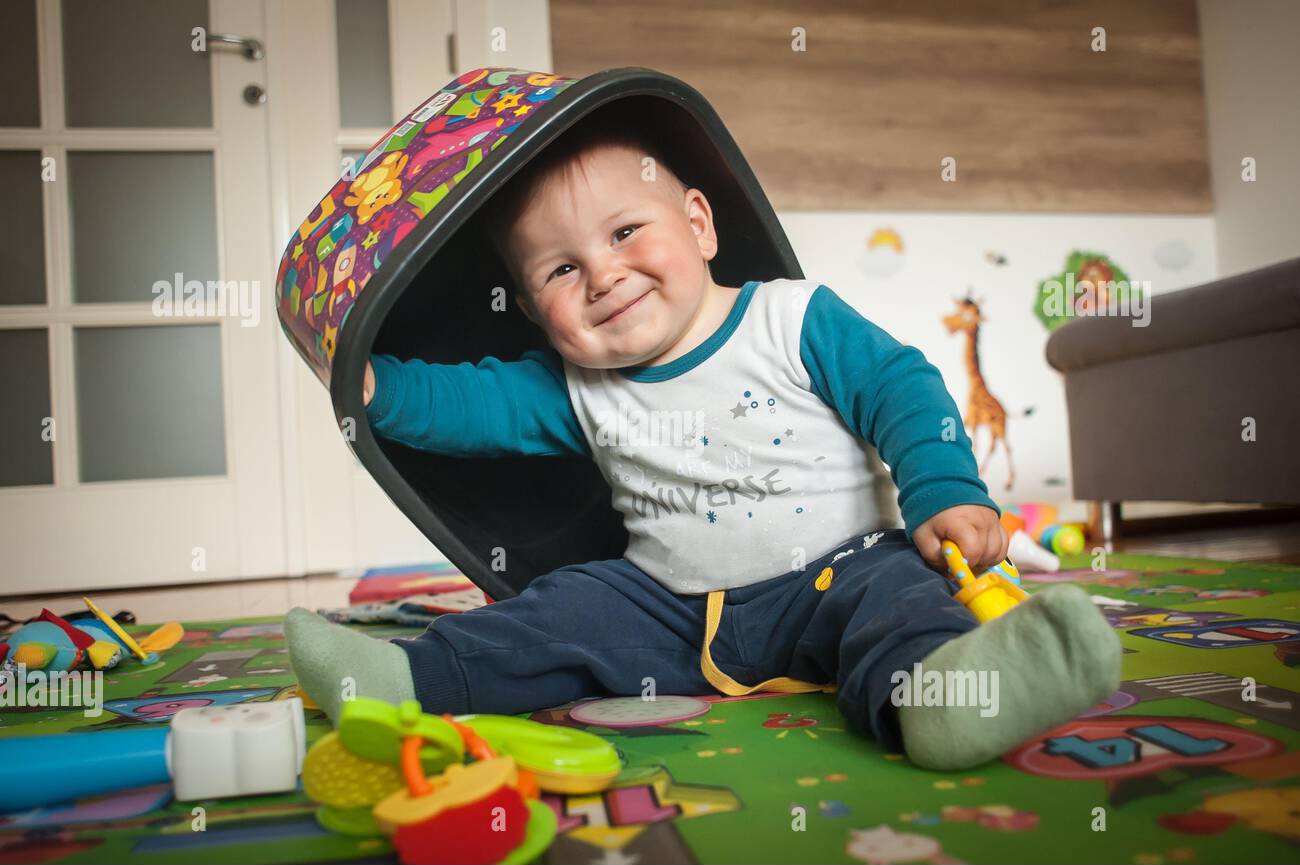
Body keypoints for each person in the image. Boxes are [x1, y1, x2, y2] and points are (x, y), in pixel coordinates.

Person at [286, 120, 1118, 771]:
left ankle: (939, 699)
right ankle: (405, 679)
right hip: (672, 608)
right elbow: (472, 402)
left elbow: (904, 389)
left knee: (905, 598)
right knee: (559, 611)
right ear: (539, 314)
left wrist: (944, 489)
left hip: (842, 567)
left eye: (622, 234)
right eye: (559, 272)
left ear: (699, 224)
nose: (602, 276)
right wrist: (375, 388)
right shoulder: (575, 385)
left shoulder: (792, 319)